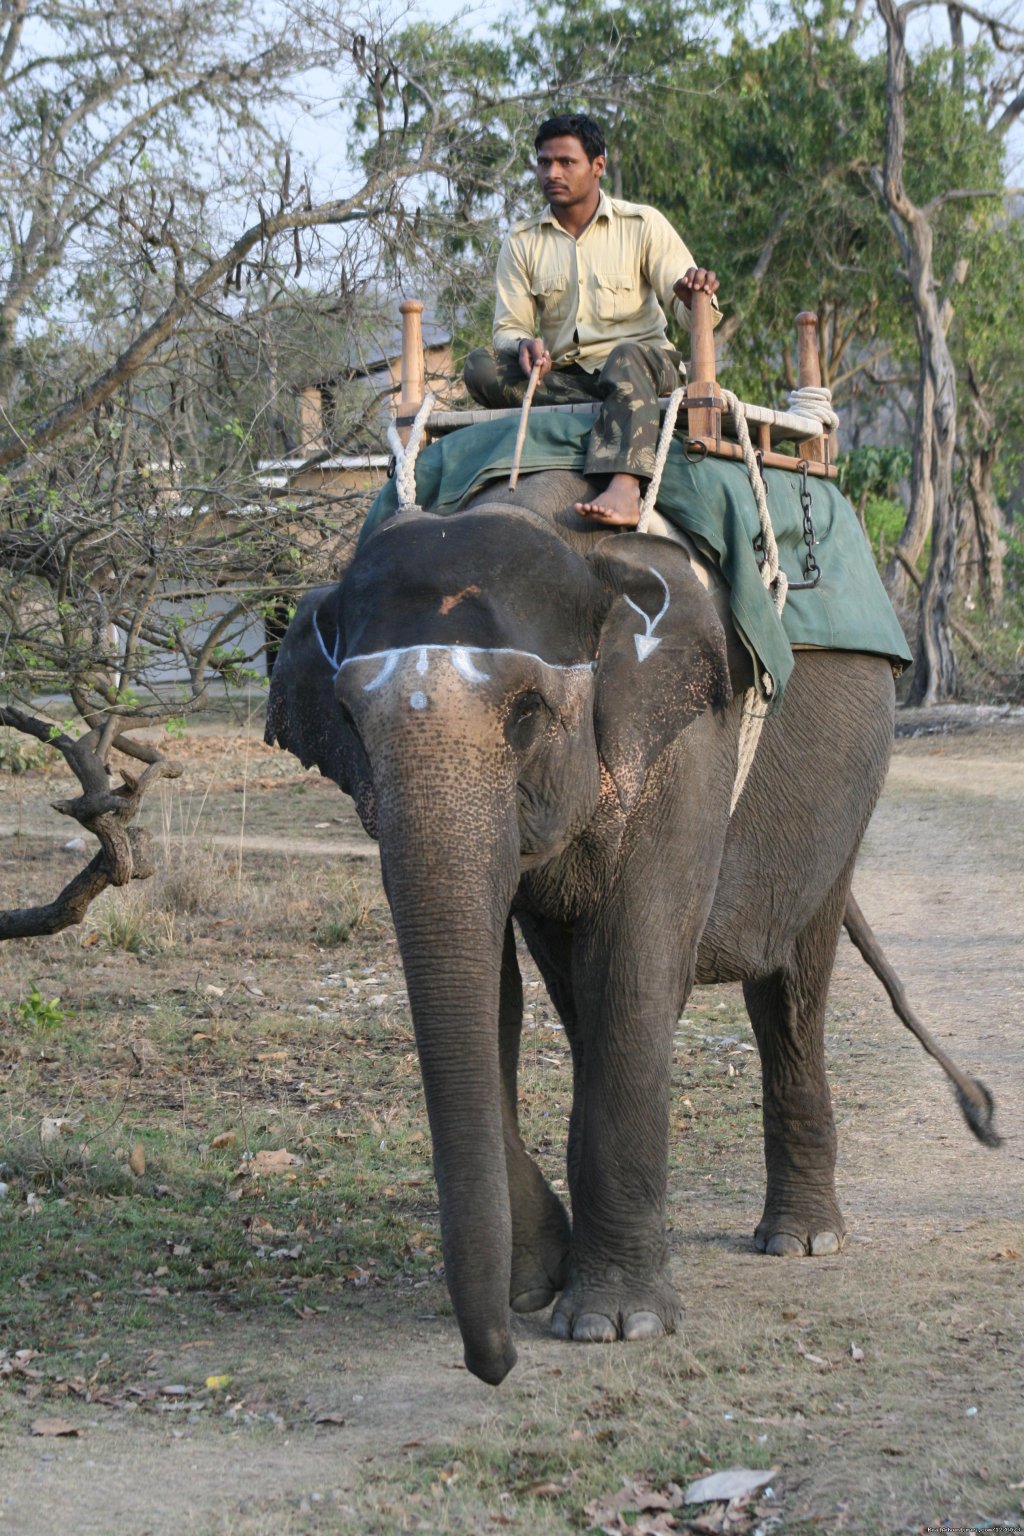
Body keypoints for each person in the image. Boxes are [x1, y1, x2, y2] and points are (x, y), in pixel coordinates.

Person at [463, 113, 721, 528]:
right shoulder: (522, 240)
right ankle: (615, 411)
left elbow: (689, 314)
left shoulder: (642, 224)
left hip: (647, 369)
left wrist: (692, 295)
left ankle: (624, 485)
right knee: (480, 366)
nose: (552, 173)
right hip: (570, 381)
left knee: (625, 359)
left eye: (566, 162)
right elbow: (508, 328)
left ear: (597, 166)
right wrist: (523, 346)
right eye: (544, 162)